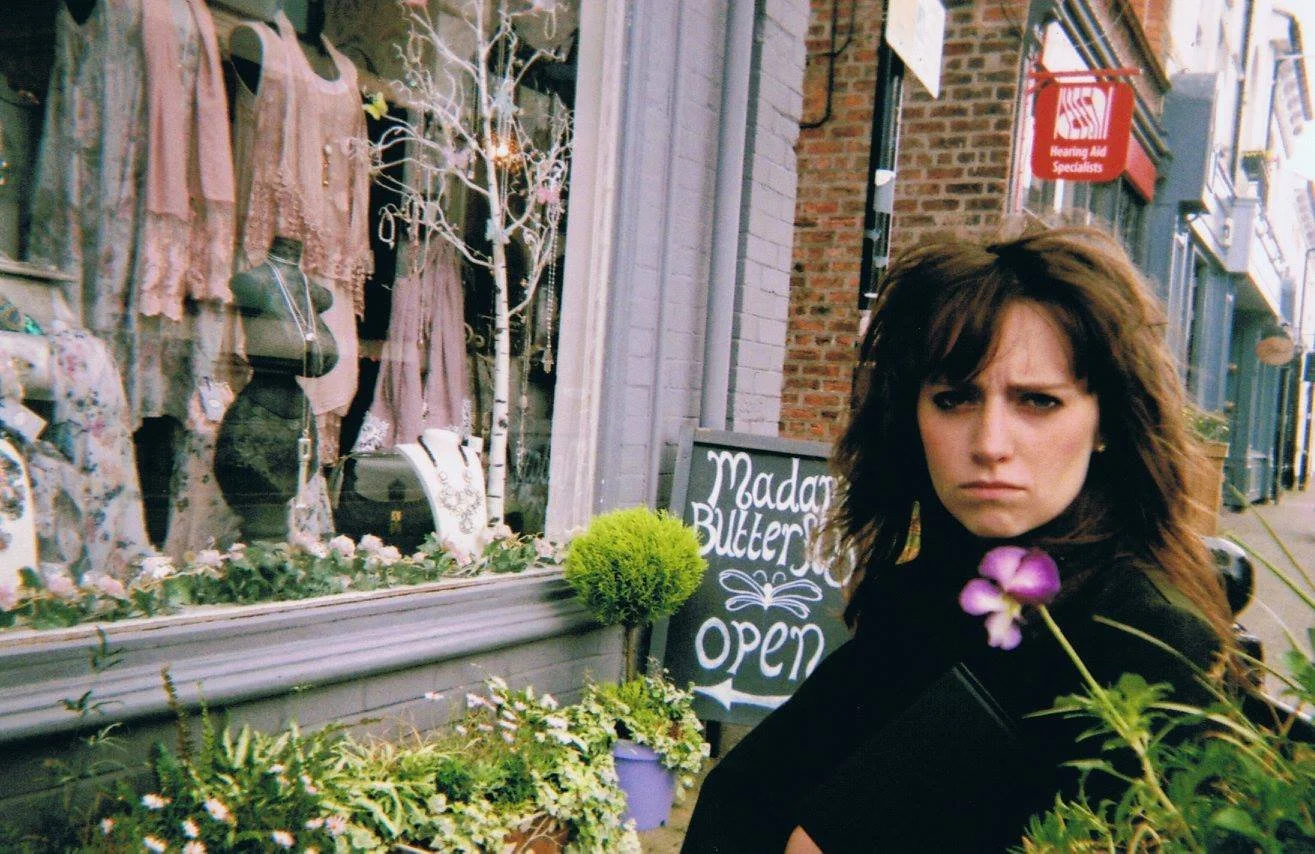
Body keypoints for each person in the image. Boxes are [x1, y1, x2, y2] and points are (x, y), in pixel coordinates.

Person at [681, 225, 1234, 852]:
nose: (989, 444)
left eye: (1037, 402)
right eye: (953, 399)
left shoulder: (1142, 635)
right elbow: (749, 795)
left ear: (1107, 421)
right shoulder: (923, 595)